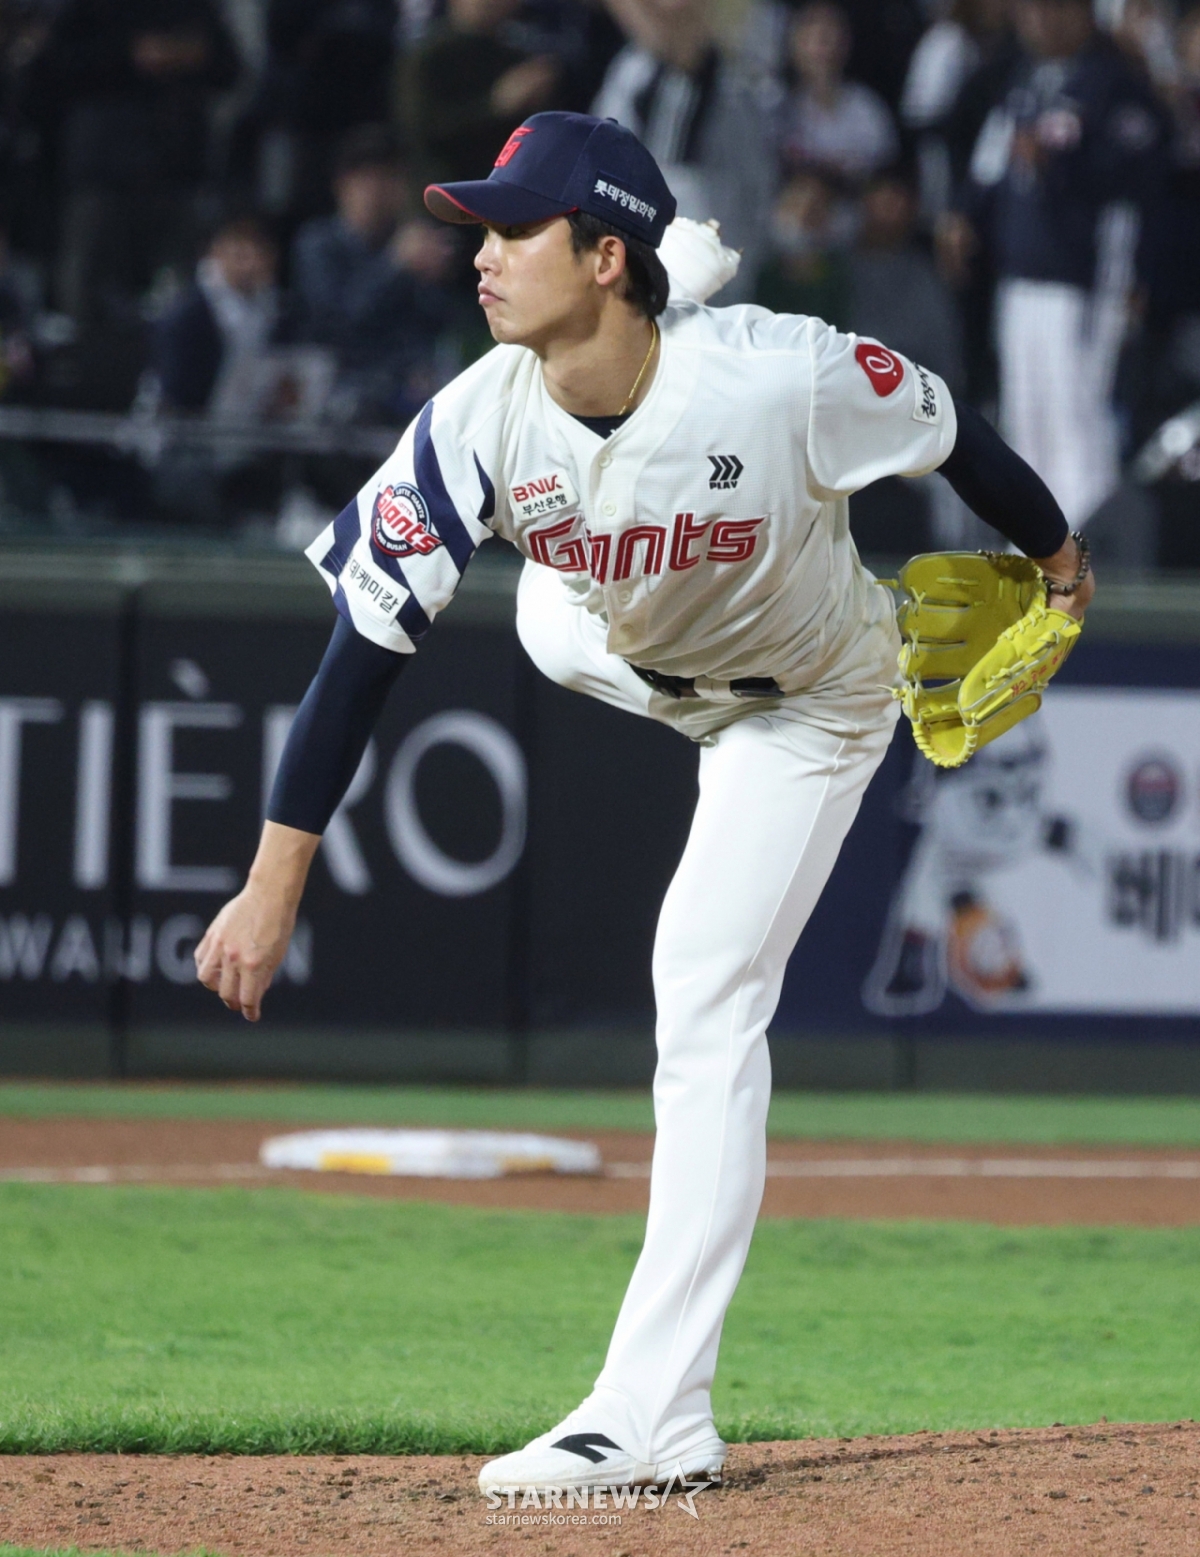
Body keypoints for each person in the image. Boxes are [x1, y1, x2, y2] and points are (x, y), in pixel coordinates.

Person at [195, 110, 1092, 1496]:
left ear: (606, 255)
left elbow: (949, 427)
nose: (480, 257)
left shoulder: (786, 376)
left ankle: (656, 1412)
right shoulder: (477, 417)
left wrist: (1055, 554)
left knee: (701, 983)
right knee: (549, 608)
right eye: (479, 228)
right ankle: (652, 1409)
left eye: (513, 230)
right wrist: (272, 879)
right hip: (610, 633)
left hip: (803, 705)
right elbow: (361, 656)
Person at [939, 0, 1169, 527]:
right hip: (1020, 277)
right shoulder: (1025, 81)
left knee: (1079, 418)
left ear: (1085, 14)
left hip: (1084, 283)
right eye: (1030, 10)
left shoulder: (1112, 84)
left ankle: (1087, 554)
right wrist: (962, 215)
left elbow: (1140, 179)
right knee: (1027, 416)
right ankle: (1037, 549)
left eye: (1055, 9)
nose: (1040, 20)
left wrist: (1062, 166)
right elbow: (990, 164)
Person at [292, 126, 458, 423]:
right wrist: (394, 265)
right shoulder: (318, 243)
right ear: (343, 185)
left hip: (405, 388)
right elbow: (336, 322)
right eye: (368, 179)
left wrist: (435, 277)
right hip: (338, 388)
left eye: (390, 178)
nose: (379, 191)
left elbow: (437, 324)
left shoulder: (411, 241)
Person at [782, 1, 898, 183]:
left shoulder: (866, 108)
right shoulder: (781, 108)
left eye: (828, 37)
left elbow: (883, 174)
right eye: (813, 39)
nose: (822, 50)